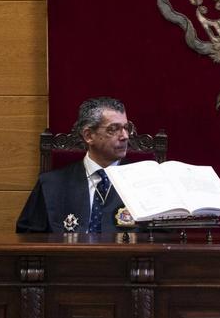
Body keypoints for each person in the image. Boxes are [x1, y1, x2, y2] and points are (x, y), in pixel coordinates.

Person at [16, 96, 134, 234]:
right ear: (88, 136)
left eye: (126, 128)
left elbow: (155, 235)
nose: (125, 136)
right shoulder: (51, 184)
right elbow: (28, 236)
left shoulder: (144, 180)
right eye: (113, 129)